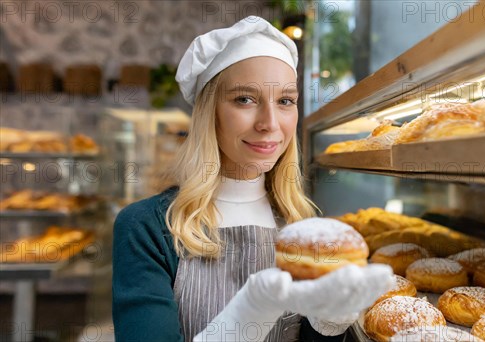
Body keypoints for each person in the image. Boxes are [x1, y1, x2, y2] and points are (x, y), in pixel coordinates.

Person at [112, 16, 393, 342]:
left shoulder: (302, 226)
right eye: (245, 99)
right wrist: (251, 310)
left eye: (285, 101)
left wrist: (327, 327)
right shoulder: (146, 227)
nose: (270, 123)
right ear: (209, 112)